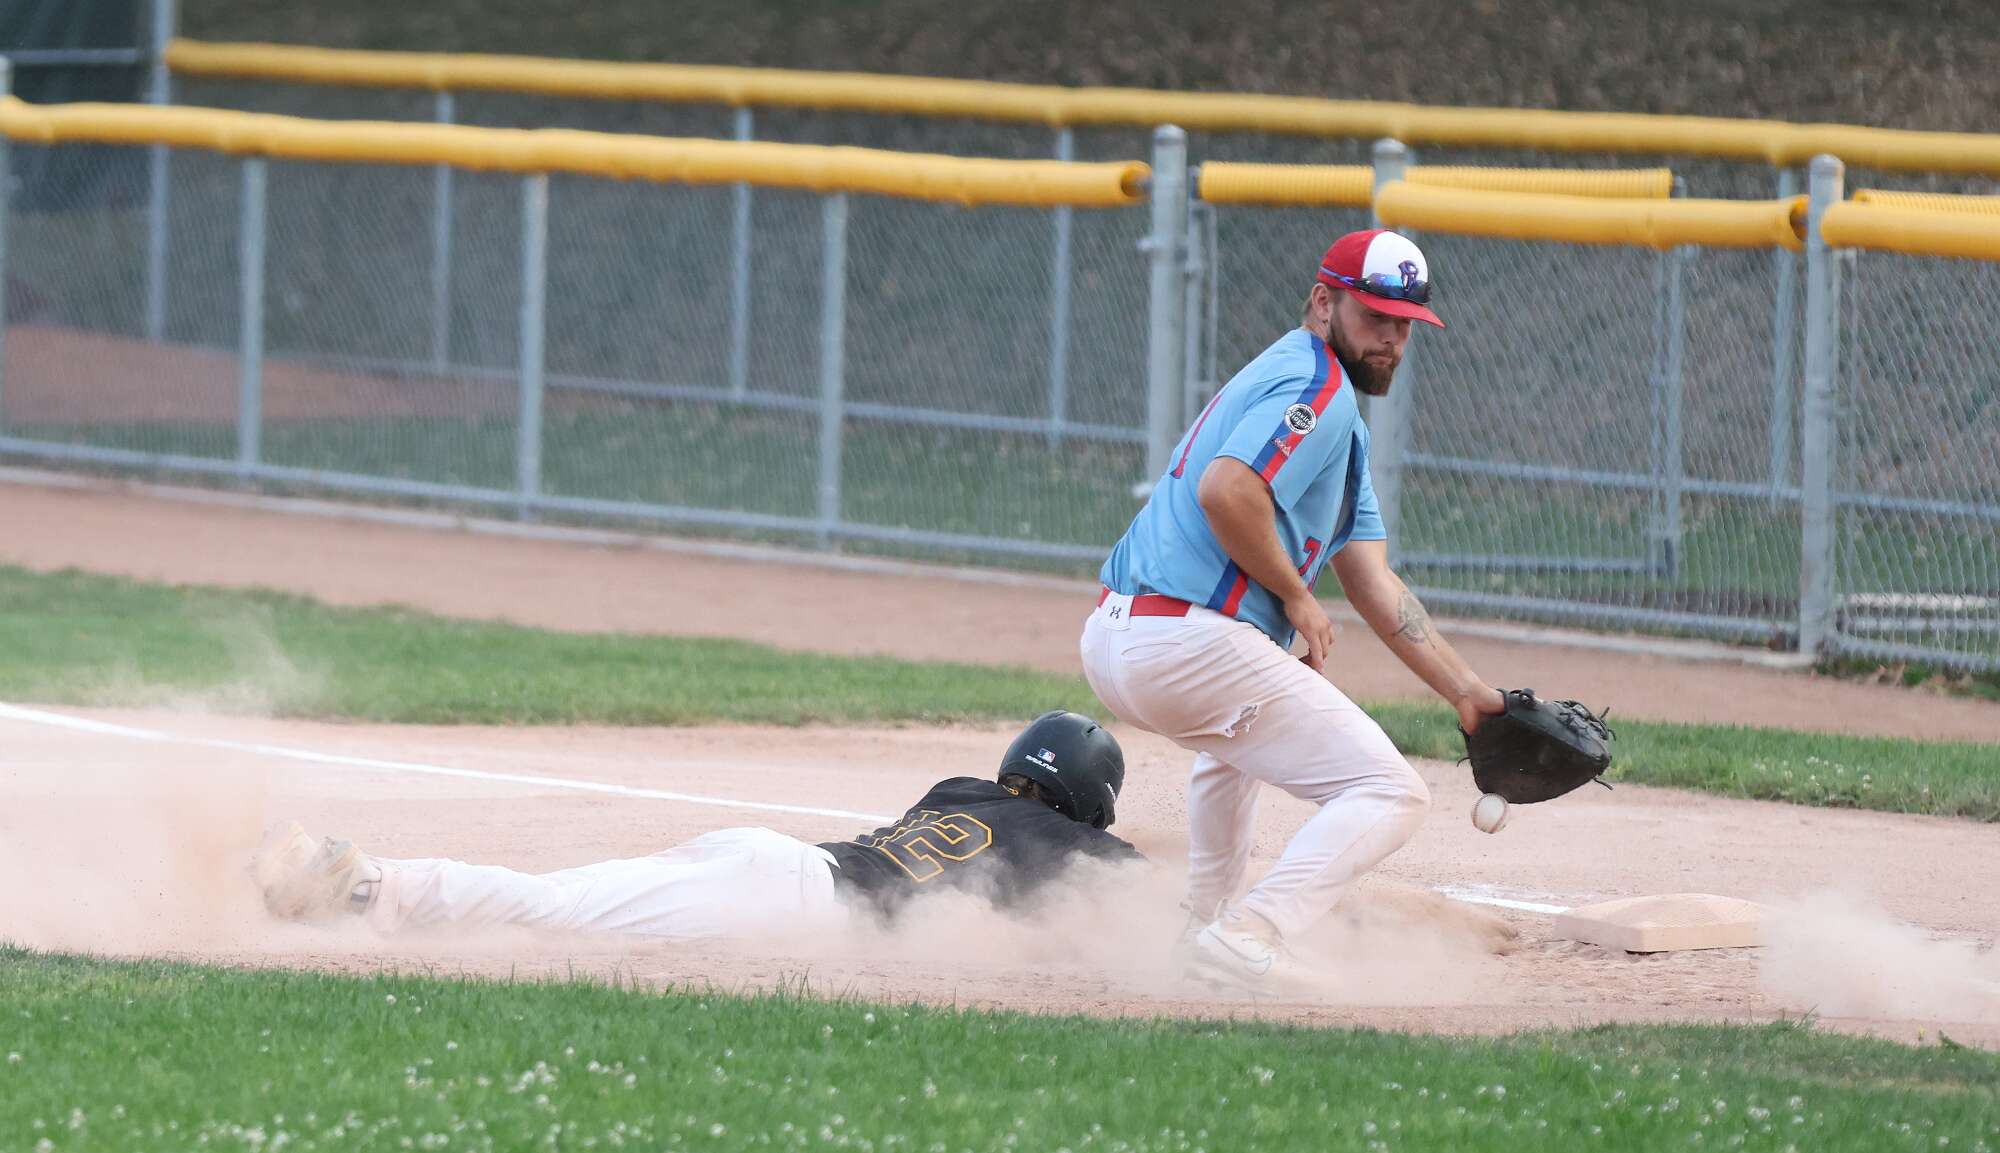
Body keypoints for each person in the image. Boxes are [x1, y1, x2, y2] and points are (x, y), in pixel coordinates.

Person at [1080, 228, 1506, 995]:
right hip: (1182, 642)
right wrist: (1296, 595)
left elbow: (1372, 579)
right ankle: (1248, 934)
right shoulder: (1319, 391)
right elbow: (1226, 490)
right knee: (1391, 790)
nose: (1392, 339)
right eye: (1375, 316)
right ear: (1323, 302)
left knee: (1234, 747)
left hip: (1125, 636)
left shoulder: (1311, 394)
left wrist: (1467, 692)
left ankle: (1205, 927)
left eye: (1406, 324)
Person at [253, 711, 1141, 940]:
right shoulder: (1068, 843)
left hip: (771, 862)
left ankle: (358, 895)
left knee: (566, 906)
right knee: (559, 909)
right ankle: (365, 883)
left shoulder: (959, 791)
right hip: (787, 897)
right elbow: (1141, 890)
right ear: (1086, 804)